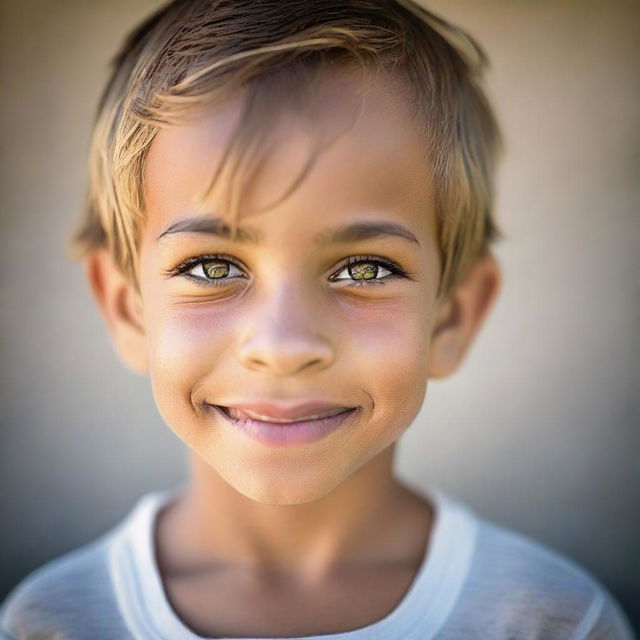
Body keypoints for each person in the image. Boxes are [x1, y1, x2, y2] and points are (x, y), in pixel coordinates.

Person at [0, 0, 635, 638]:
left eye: (364, 270)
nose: (284, 345)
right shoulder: (53, 622)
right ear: (126, 308)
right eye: (213, 268)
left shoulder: (551, 620)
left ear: (452, 318)